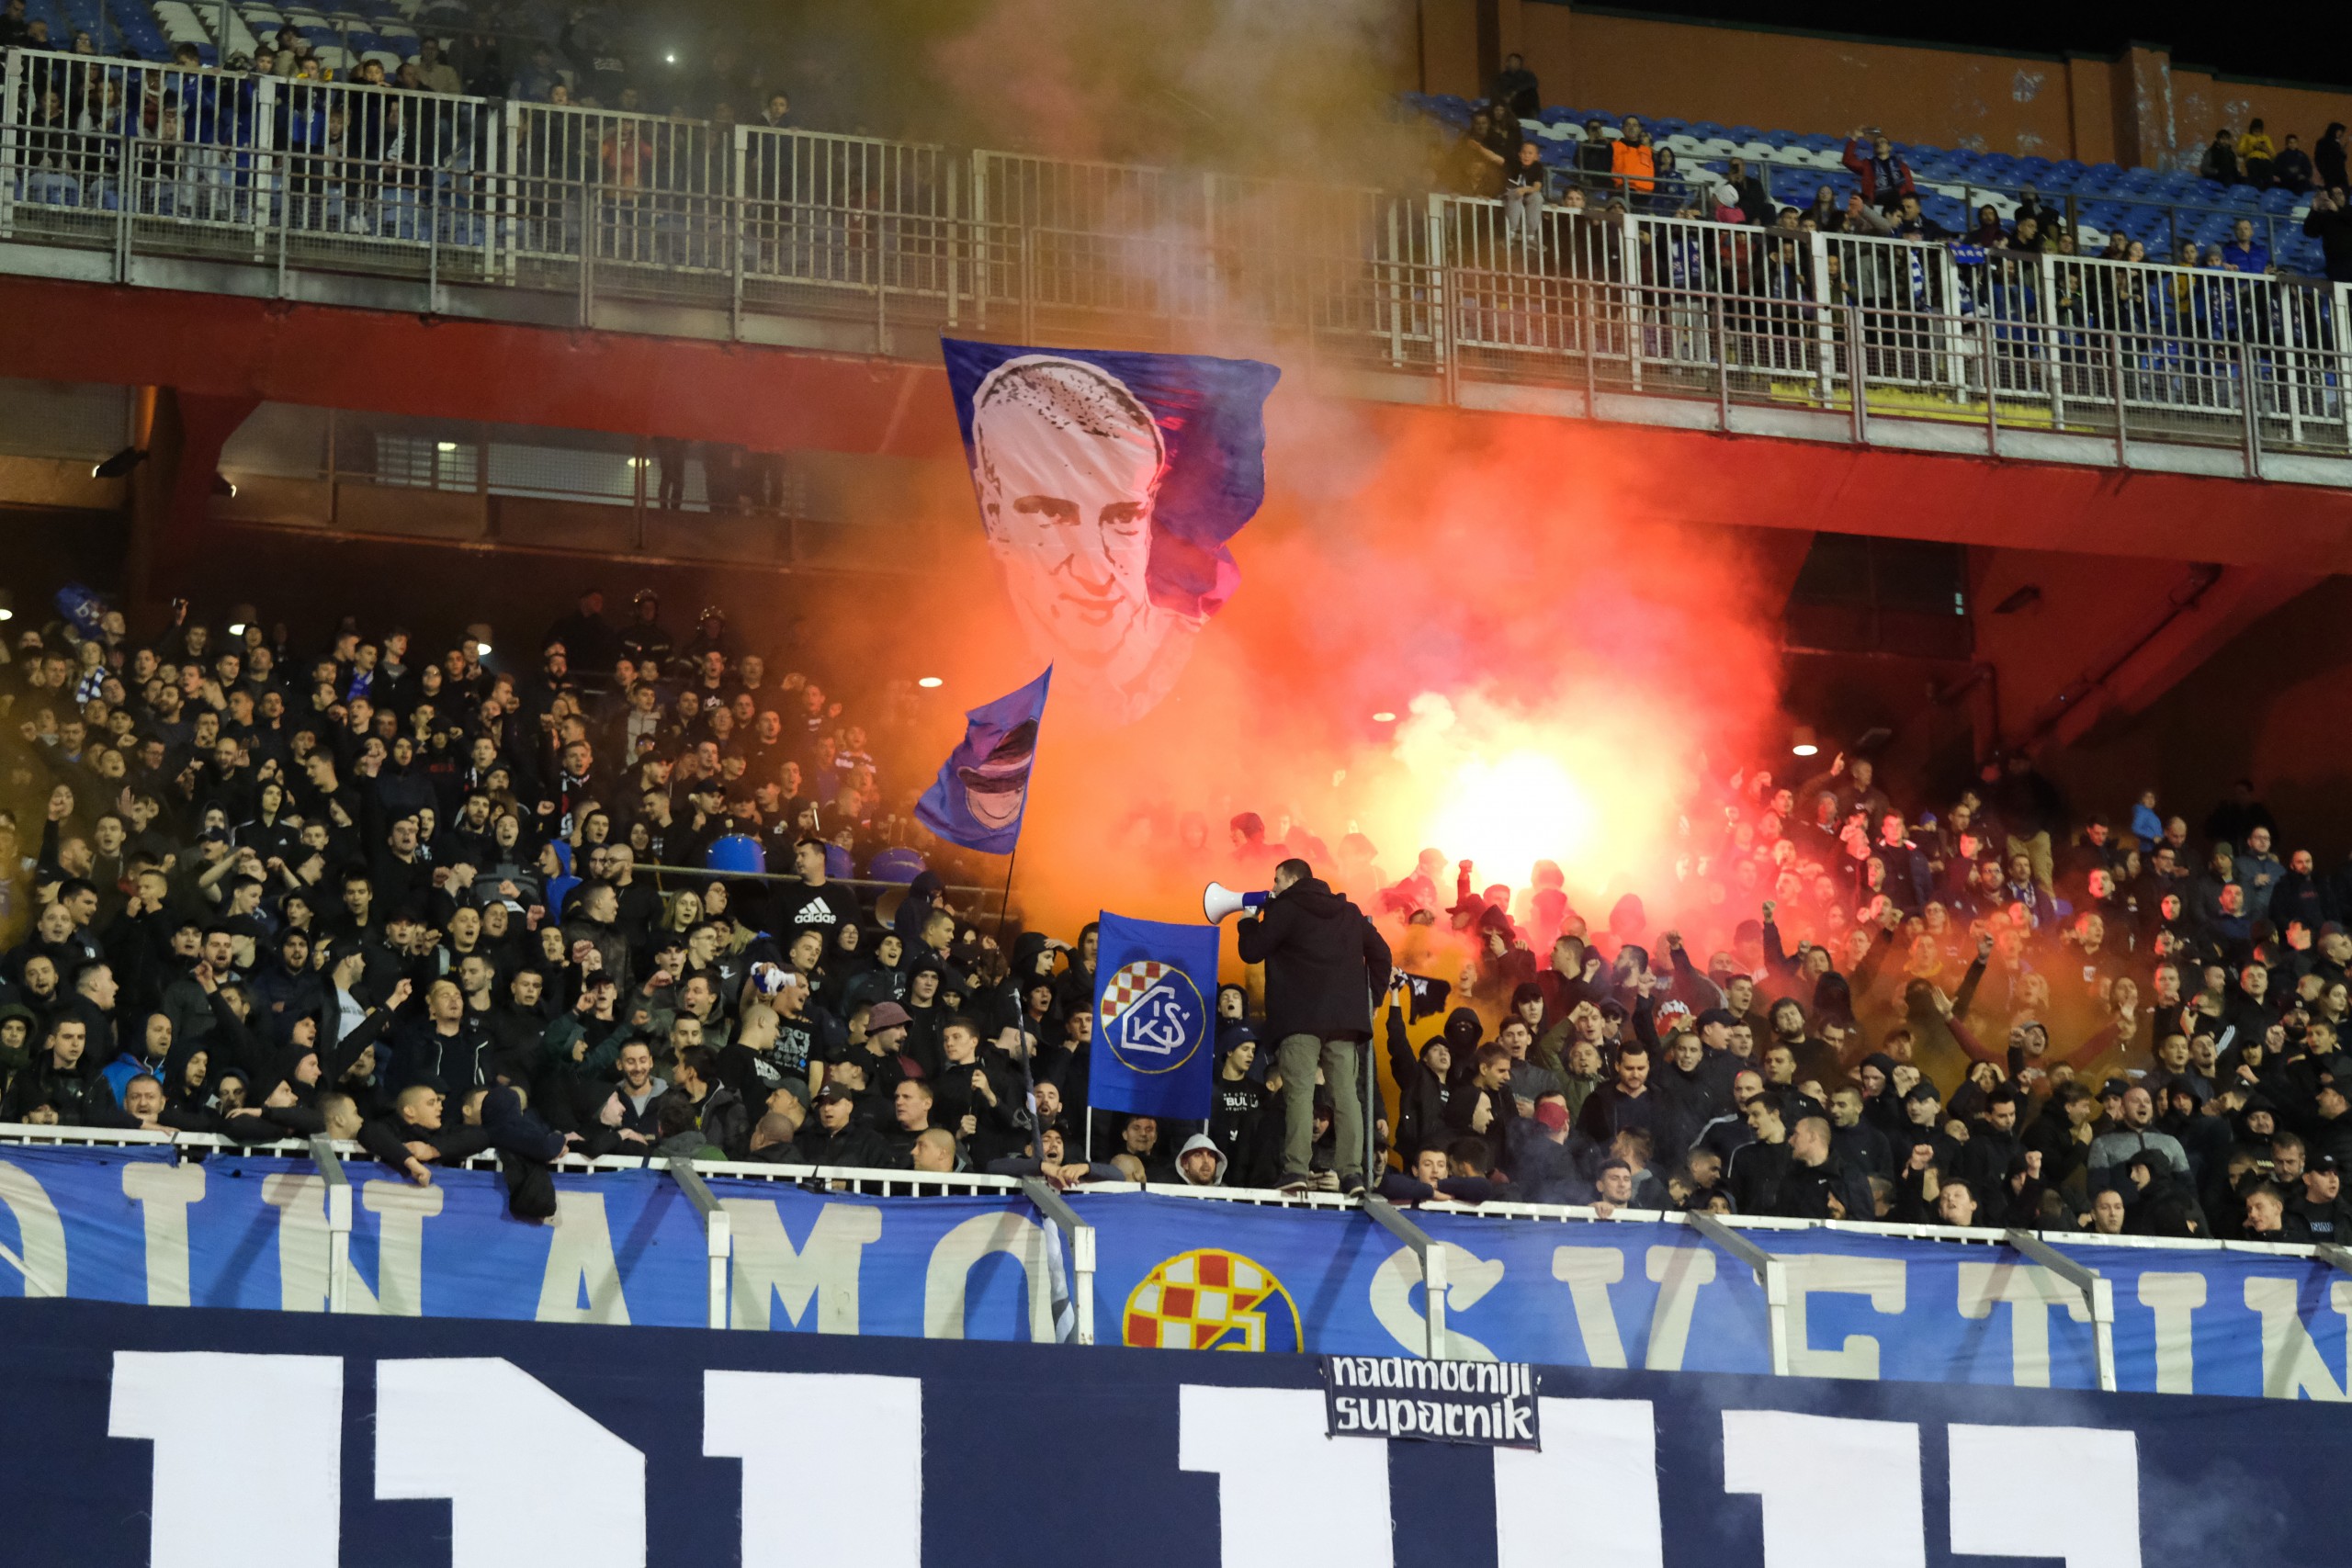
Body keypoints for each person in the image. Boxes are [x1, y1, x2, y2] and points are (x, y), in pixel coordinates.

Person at [1234, 856, 1392, 1195]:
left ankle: (1295, 1171)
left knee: (1300, 1094)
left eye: (1277, 881)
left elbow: (1251, 950)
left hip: (1298, 1018)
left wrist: (1248, 921)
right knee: (1347, 1097)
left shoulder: (1285, 909)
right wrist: (1372, 1000)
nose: (1272, 888)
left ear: (1291, 880)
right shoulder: (1349, 912)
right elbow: (1382, 953)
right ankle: (1352, 1174)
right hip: (1345, 1021)